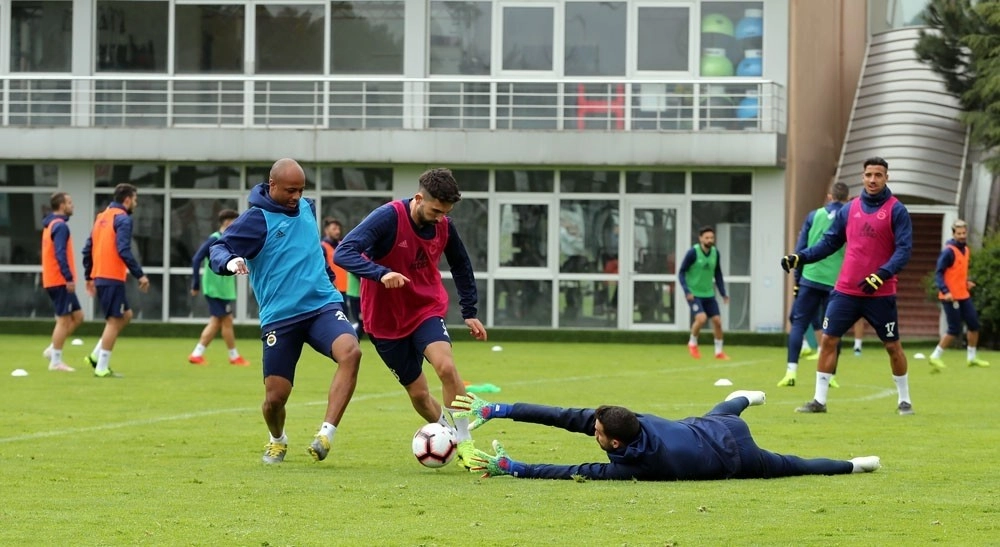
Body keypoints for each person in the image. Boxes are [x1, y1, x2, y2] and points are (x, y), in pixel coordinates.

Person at [208, 158, 362, 464]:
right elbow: (218, 249)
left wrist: (328, 281)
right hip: (280, 318)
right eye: (290, 190)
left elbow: (311, 248)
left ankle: (325, 435)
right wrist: (230, 262)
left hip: (321, 306)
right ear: (272, 185)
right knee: (274, 400)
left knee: (352, 353)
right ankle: (277, 439)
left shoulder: (308, 208)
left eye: (301, 190)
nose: (296, 196)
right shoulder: (256, 220)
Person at [334, 167, 487, 471]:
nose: (441, 217)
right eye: (436, 210)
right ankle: (447, 435)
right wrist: (381, 273)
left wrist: (469, 311)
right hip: (384, 321)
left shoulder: (445, 225)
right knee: (418, 394)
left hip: (425, 309)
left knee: (445, 366)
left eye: (446, 212)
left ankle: (465, 441)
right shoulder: (387, 217)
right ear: (419, 198)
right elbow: (343, 253)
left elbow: (461, 264)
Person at [451, 391, 881, 481]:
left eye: (595, 431)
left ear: (614, 443)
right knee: (723, 410)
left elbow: (578, 471)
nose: (590, 430)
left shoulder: (642, 466)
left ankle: (854, 464)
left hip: (737, 459)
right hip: (713, 428)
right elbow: (561, 416)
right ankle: (744, 397)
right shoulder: (624, 419)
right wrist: (498, 409)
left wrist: (515, 468)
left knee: (795, 467)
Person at [781, 157, 914, 414]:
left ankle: (904, 399)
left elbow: (904, 251)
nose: (873, 180)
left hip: (880, 293)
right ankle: (819, 401)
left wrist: (881, 274)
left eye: (878, 175)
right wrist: (801, 257)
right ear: (862, 177)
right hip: (845, 291)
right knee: (829, 340)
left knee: (892, 346)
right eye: (868, 175)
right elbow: (829, 242)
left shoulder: (897, 210)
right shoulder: (849, 209)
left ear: (887, 178)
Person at [779, 182, 851, 388]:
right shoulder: (848, 217)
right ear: (848, 198)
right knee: (835, 328)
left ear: (829, 196)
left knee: (799, 324)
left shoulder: (814, 215)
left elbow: (801, 249)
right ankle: (832, 376)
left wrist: (797, 280)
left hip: (810, 278)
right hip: (836, 282)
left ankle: (790, 372)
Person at [81, 183, 150, 378]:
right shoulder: (123, 219)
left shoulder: (101, 217)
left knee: (126, 315)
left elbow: (87, 250)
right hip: (111, 277)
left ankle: (95, 356)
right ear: (127, 200)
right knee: (114, 321)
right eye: (135, 200)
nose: (135, 204)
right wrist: (140, 274)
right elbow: (123, 250)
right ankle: (101, 367)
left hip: (102, 276)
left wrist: (89, 276)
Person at [187, 208, 249, 367]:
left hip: (223, 289)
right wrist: (195, 284)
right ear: (227, 222)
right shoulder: (214, 239)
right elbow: (196, 259)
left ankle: (199, 354)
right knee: (224, 320)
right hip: (215, 289)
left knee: (220, 321)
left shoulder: (229, 239)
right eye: (235, 221)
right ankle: (231, 356)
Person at [929, 219, 990, 370]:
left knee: (974, 325)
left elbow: (957, 273)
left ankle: (972, 358)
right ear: (953, 234)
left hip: (963, 294)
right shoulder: (948, 251)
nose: (962, 236)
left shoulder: (966, 250)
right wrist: (946, 291)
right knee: (954, 329)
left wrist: (966, 282)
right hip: (950, 297)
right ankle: (935, 356)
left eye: (964, 233)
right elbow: (939, 274)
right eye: (959, 233)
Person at [40, 192, 83, 372]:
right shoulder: (60, 226)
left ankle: (53, 348)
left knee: (78, 317)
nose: (72, 205)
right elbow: (60, 254)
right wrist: (68, 278)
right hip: (59, 280)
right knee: (64, 320)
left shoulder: (52, 224)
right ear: (61, 206)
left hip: (55, 279)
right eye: (69, 202)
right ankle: (56, 361)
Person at [677, 226, 730, 359]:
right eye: (706, 237)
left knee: (717, 321)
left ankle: (719, 352)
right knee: (701, 318)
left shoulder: (715, 253)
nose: (709, 240)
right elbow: (681, 272)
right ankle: (692, 343)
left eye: (711, 237)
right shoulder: (693, 253)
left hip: (709, 294)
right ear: (700, 238)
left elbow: (718, 273)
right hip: (694, 294)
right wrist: (686, 290)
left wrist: (723, 293)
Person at [320, 217, 349, 296]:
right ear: (326, 231)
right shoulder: (322, 247)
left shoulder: (342, 245)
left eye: (338, 229)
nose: (338, 232)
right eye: (334, 229)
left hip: (347, 289)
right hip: (333, 289)